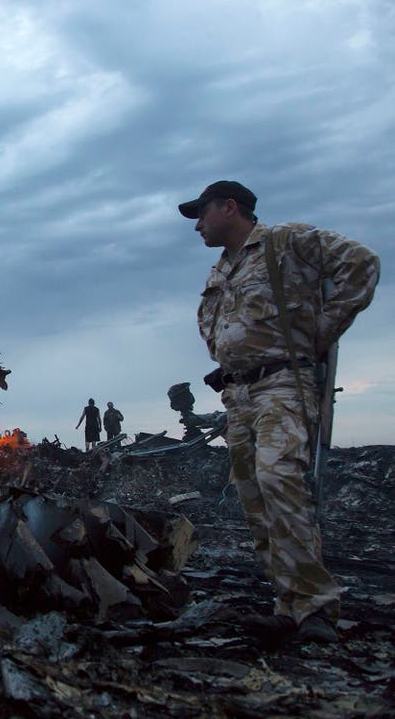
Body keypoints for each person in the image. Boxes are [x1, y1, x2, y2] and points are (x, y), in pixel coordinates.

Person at [180, 180, 380, 644]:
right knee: (255, 499)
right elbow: (219, 325)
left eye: (202, 213)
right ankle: (288, 605)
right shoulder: (221, 269)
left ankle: (315, 607)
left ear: (230, 208)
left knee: (280, 480)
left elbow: (362, 264)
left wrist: (320, 333)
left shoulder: (286, 241)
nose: (197, 225)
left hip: (282, 386)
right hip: (238, 395)